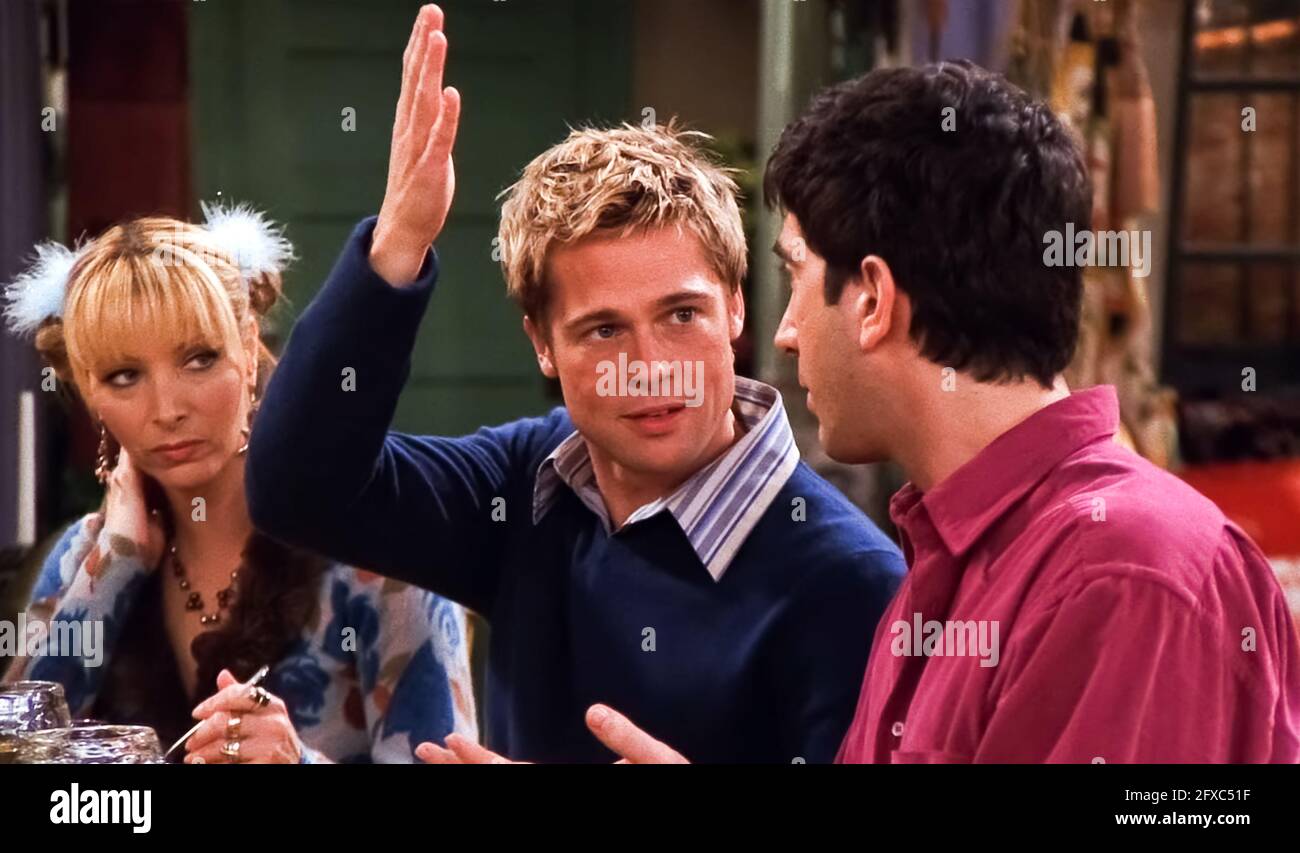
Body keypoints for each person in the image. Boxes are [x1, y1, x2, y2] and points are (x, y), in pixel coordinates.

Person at [245, 4, 904, 764]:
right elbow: (294, 488)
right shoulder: (533, 482)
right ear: (542, 345)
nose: (650, 364)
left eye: (681, 314)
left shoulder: (851, 582)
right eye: (603, 330)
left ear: (735, 309)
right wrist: (397, 243)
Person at [762, 60, 1300, 762]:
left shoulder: (1123, 575)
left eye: (794, 274)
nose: (786, 331)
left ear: (872, 299)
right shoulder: (956, 551)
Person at [2, 204, 477, 763]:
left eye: (199, 359)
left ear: (248, 350)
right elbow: (18, 751)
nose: (167, 409)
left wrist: (296, 761)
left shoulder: (383, 556)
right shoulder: (83, 558)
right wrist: (115, 567)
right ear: (90, 392)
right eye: (124, 376)